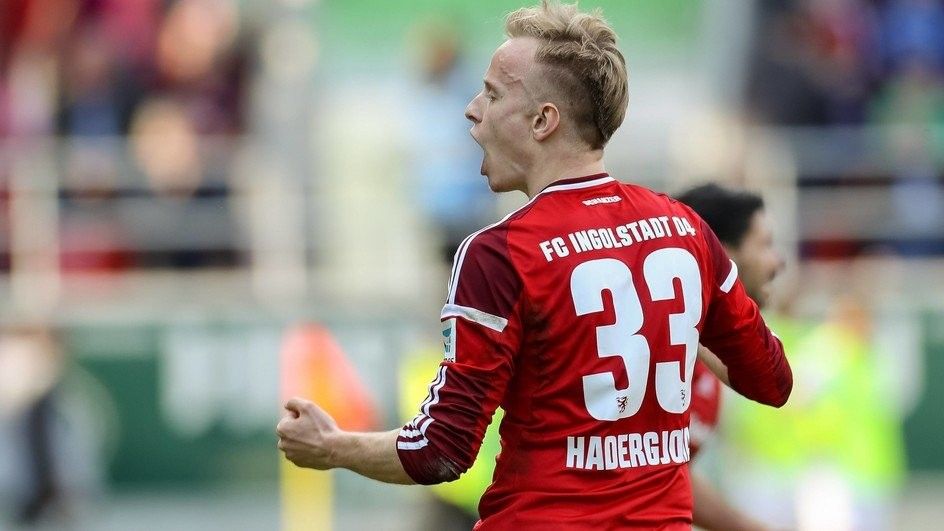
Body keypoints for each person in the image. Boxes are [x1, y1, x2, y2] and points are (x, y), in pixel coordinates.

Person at [276, 2, 792, 528]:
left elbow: (442, 449)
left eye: (493, 94)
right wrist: (671, 323)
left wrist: (332, 446)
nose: (472, 109)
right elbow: (772, 381)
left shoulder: (500, 253)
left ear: (543, 121)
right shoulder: (684, 228)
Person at [676, 183, 785, 531]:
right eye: (765, 245)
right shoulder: (660, 350)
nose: (778, 262)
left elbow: (670, 474)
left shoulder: (709, 356)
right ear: (722, 254)